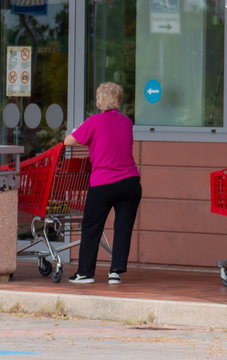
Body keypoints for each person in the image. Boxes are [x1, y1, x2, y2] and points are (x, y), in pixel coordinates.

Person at [64, 82, 142, 285]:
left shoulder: (93, 121)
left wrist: (78, 131)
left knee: (91, 226)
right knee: (123, 227)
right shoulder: (127, 122)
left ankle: (85, 273)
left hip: (103, 183)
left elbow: (68, 141)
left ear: (100, 101)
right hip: (130, 182)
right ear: (118, 101)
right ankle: (115, 272)